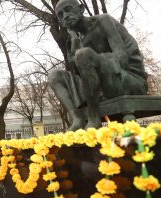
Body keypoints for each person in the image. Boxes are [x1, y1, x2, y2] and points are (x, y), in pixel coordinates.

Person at [48, 0, 148, 131]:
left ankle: (93, 116)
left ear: (81, 8)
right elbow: (84, 76)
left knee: (83, 54)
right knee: (55, 76)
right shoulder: (79, 39)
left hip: (128, 79)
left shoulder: (103, 21)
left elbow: (122, 59)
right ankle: (76, 118)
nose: (65, 16)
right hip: (101, 86)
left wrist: (90, 58)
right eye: (60, 15)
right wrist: (75, 42)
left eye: (68, 9)